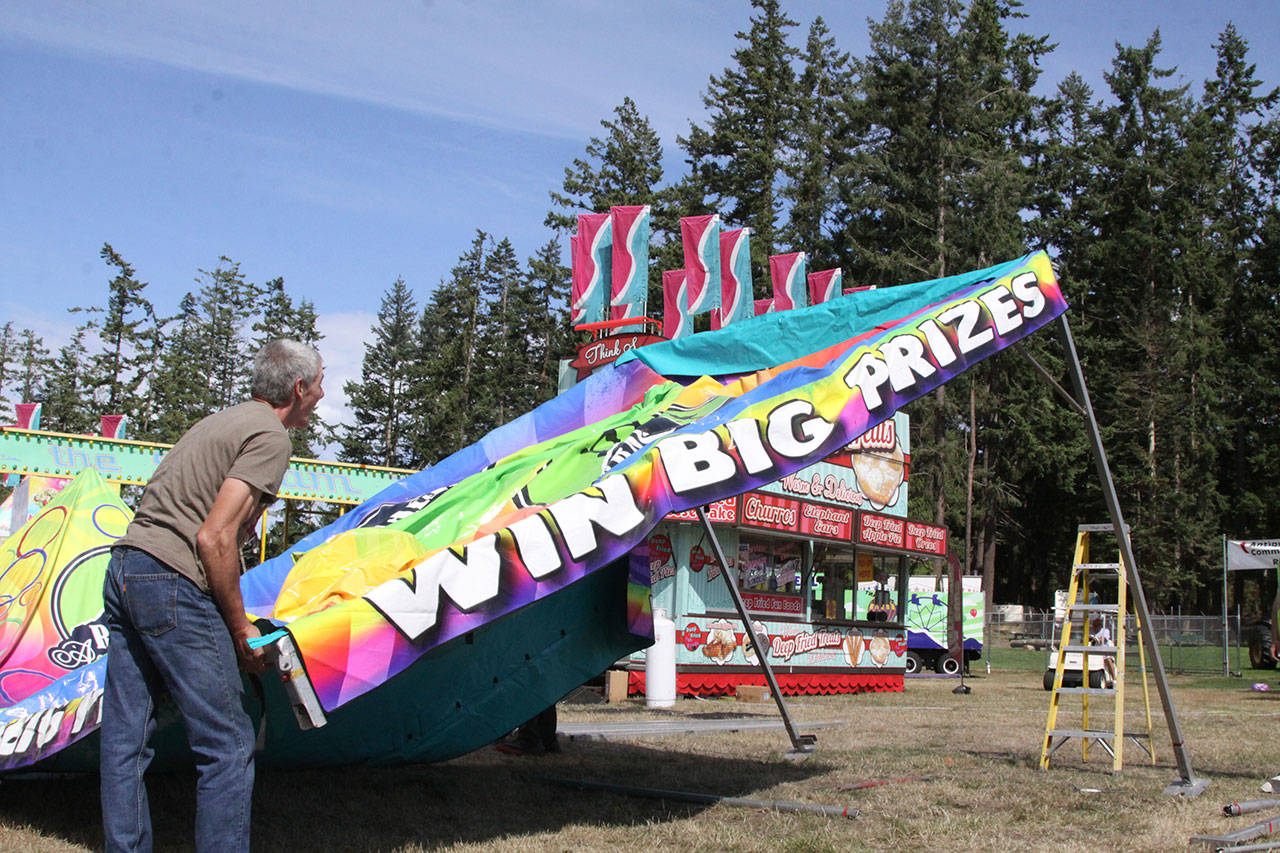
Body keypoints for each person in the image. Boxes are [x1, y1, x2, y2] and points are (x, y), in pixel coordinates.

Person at [100, 339, 324, 852]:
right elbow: (214, 537)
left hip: (125, 569)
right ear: (298, 387)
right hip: (173, 579)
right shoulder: (270, 435)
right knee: (227, 743)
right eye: (320, 383)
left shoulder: (220, 421)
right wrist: (242, 628)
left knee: (124, 741)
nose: (321, 394)